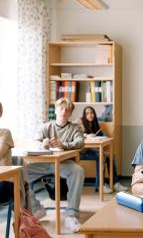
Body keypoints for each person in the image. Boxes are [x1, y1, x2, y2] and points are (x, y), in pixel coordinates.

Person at [27, 98, 85, 233]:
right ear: (56, 110)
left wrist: (64, 145)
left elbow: (80, 142)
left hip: (64, 163)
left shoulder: (74, 128)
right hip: (43, 163)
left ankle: (71, 215)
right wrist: (43, 144)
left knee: (78, 171)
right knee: (19, 173)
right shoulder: (46, 126)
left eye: (67, 109)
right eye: (61, 108)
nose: (64, 112)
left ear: (71, 113)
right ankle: (36, 208)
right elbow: (35, 141)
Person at [75, 106, 128, 193]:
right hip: (82, 152)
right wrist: (86, 135)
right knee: (102, 155)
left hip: (91, 150)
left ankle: (115, 183)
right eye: (87, 113)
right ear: (84, 115)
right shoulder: (80, 123)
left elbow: (101, 134)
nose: (90, 115)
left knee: (111, 156)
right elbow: (77, 133)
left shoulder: (95, 123)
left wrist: (104, 136)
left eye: (92, 113)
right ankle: (100, 185)